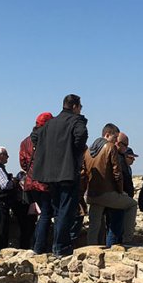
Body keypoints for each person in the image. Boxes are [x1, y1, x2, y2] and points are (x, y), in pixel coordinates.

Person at [31, 94, 88, 256]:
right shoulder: (76, 121)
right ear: (75, 106)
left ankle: (57, 245)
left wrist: (49, 150)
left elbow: (34, 136)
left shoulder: (51, 123)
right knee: (66, 210)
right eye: (80, 107)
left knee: (58, 210)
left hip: (50, 175)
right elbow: (81, 136)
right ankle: (60, 247)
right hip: (67, 173)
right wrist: (72, 153)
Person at [84, 123, 136, 246]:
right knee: (132, 205)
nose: (115, 141)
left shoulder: (88, 151)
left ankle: (90, 250)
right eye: (115, 138)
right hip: (107, 192)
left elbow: (83, 173)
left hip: (92, 193)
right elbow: (117, 172)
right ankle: (128, 240)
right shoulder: (109, 147)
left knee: (94, 226)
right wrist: (120, 191)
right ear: (107, 135)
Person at [20, 112, 53, 253]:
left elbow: (23, 163)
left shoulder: (25, 142)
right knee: (46, 214)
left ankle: (36, 245)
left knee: (42, 214)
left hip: (30, 183)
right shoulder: (47, 140)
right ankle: (38, 247)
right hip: (43, 183)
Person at [113, 132, 138, 244]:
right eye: (131, 158)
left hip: (122, 195)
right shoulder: (120, 161)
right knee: (116, 224)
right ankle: (126, 241)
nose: (133, 160)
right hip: (119, 195)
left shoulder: (127, 167)